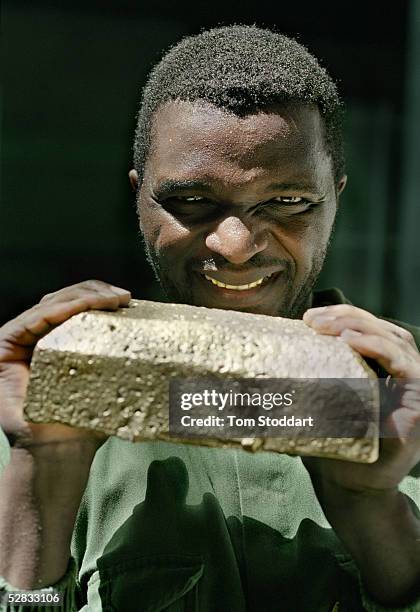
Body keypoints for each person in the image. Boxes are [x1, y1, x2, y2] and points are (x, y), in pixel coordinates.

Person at [0, 25, 420, 612]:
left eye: (289, 202)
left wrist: (374, 512)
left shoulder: (404, 395)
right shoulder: (34, 394)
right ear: (138, 196)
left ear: (337, 197)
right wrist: (38, 483)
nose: (236, 244)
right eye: (193, 202)